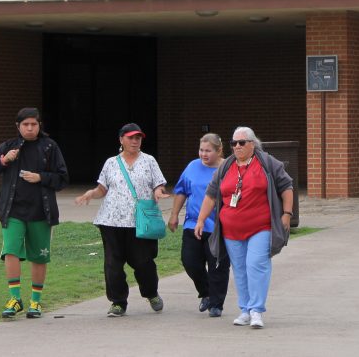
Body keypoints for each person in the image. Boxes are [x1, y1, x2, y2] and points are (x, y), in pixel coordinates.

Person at [195, 126, 294, 329]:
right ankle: (245, 310)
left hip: (260, 226)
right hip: (231, 230)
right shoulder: (226, 166)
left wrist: (287, 214)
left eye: (242, 142)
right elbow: (211, 195)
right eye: (234, 143)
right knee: (240, 269)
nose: (237, 146)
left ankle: (257, 310)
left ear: (252, 144)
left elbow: (287, 187)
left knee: (256, 265)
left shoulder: (267, 163)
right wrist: (201, 220)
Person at [0, 107, 69, 319]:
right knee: (10, 252)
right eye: (25, 125)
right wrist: (3, 161)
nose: (29, 128)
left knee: (39, 257)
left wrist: (41, 177)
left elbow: (63, 178)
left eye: (33, 124)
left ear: (39, 125)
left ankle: (35, 302)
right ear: (18, 126)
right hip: (13, 211)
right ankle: (15, 299)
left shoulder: (49, 147)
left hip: (41, 212)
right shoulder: (8, 147)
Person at [75, 123, 171, 317]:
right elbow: (102, 189)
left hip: (140, 222)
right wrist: (91, 193)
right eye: (131, 137)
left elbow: (158, 184)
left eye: (138, 138)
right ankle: (118, 302)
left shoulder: (149, 161)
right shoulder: (111, 163)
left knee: (143, 262)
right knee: (113, 264)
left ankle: (151, 293)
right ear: (121, 139)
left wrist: (158, 192)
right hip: (111, 221)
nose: (135, 141)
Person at [168, 133, 231, 318]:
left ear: (219, 150)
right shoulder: (192, 166)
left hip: (219, 227)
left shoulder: (228, 168)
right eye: (201, 150)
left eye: (208, 151)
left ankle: (216, 304)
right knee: (190, 261)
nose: (203, 154)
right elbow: (181, 191)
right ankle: (206, 292)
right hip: (193, 224)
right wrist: (174, 215)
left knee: (217, 266)